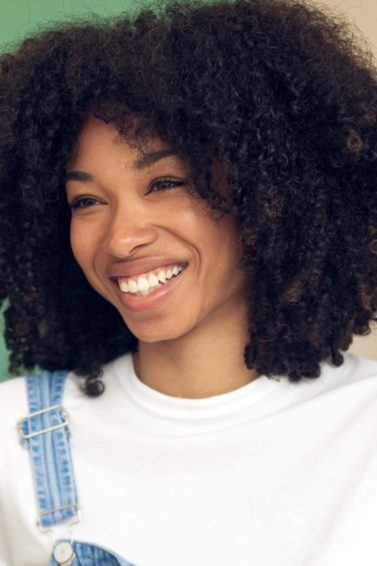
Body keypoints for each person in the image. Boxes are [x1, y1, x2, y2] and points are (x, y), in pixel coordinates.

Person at [0, 0, 376, 564]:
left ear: (268, 192)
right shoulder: (13, 438)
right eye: (87, 200)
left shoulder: (365, 427)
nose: (121, 239)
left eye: (166, 182)